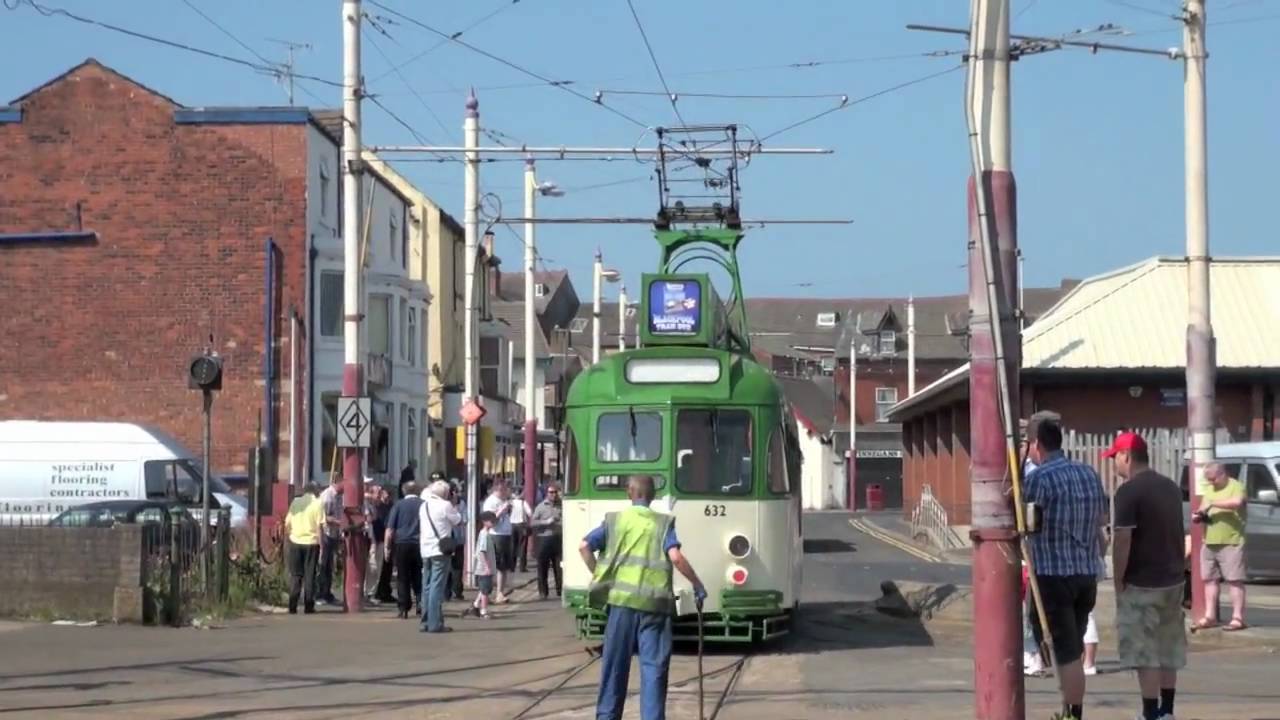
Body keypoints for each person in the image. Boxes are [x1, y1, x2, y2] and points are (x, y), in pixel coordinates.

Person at [579, 475, 707, 720]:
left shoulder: (614, 521)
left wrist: (599, 575)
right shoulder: (663, 524)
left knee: (614, 668)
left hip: (620, 606)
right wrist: (697, 585)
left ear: (629, 493)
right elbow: (676, 557)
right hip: (655, 608)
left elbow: (584, 546)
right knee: (654, 670)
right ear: (652, 496)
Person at [1022, 411, 1107, 720]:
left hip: (1052, 575)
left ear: (1035, 445)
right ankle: (1071, 709)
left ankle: (1073, 714)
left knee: (1066, 652)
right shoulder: (1089, 473)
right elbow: (1101, 520)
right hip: (1086, 573)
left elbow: (1019, 518)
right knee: (1074, 645)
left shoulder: (1038, 478)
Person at [1107, 431, 1187, 720]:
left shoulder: (1128, 492)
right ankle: (1167, 710)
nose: (1114, 463)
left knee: (1145, 652)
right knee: (1168, 647)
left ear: (1126, 456)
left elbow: (1123, 541)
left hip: (1142, 583)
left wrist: (1118, 581)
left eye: (1115, 457)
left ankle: (1149, 712)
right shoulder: (1170, 487)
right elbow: (1179, 532)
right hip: (1173, 579)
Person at [1193, 461, 1248, 631]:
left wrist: (1214, 504)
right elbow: (1203, 507)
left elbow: (1237, 502)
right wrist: (1199, 515)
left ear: (1223, 474)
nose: (1211, 483)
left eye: (1213, 479)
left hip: (1231, 541)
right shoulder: (1210, 490)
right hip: (1209, 540)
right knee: (1209, 580)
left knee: (1234, 580)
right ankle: (1210, 616)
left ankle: (1237, 617)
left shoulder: (1236, 486)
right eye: (1208, 480)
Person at [419, 478, 462, 633]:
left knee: (427, 585)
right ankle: (435, 623)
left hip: (425, 549)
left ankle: (426, 620)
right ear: (446, 493)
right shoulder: (446, 505)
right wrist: (454, 503)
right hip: (440, 550)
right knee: (437, 586)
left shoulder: (423, 506)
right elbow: (458, 521)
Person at [283, 482, 325, 615]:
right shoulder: (318, 504)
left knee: (296, 575)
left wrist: (289, 536)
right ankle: (308, 605)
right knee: (309, 575)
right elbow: (319, 527)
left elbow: (287, 523)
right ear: (315, 491)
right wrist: (321, 545)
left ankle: (292, 605)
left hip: (295, 541)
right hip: (311, 542)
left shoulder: (295, 502)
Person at [385, 481, 424, 619]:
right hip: (419, 543)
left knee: (402, 576)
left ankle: (403, 607)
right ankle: (420, 604)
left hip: (401, 543)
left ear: (404, 491)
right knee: (418, 575)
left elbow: (390, 529)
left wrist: (387, 547)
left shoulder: (398, 505)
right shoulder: (423, 504)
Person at [481, 479, 516, 603]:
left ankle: (500, 593)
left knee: (504, 567)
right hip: (496, 535)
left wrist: (508, 509)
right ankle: (488, 594)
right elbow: (489, 521)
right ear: (498, 489)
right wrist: (502, 510)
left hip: (505, 534)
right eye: (504, 489)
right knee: (496, 566)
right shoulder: (490, 502)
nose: (506, 492)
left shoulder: (503, 501)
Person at [315, 476, 345, 605]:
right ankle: (319, 594)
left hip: (334, 534)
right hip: (325, 533)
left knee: (329, 566)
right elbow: (322, 517)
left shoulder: (339, 496)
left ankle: (327, 593)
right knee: (323, 565)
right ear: (337, 482)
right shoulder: (327, 496)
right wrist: (339, 522)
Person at [462, 511, 498, 619]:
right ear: (484, 522)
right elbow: (482, 552)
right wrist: (487, 567)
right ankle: (483, 610)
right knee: (485, 590)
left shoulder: (486, 534)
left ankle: (475, 605)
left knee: (484, 589)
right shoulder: (484, 535)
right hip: (483, 568)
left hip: (486, 567)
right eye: (491, 521)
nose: (493, 522)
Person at [531, 482, 564, 599]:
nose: (554, 495)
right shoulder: (540, 507)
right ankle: (543, 592)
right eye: (551, 492)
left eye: (555, 492)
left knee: (559, 567)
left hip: (558, 538)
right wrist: (545, 522)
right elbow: (532, 523)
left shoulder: (562, 505)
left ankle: (560, 590)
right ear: (547, 493)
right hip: (544, 539)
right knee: (542, 567)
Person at [448, 481, 467, 601]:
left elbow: (464, 519)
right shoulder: (443, 505)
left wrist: (455, 508)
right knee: (446, 565)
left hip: (458, 539)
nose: (454, 494)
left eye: (455, 491)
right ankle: (446, 592)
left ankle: (457, 591)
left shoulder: (461, 503)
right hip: (447, 538)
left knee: (458, 566)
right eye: (451, 492)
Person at [511, 490, 533, 573]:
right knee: (522, 547)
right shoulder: (523, 503)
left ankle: (512, 566)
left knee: (512, 546)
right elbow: (530, 513)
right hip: (521, 525)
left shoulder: (511, 503)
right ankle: (522, 567)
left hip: (512, 525)